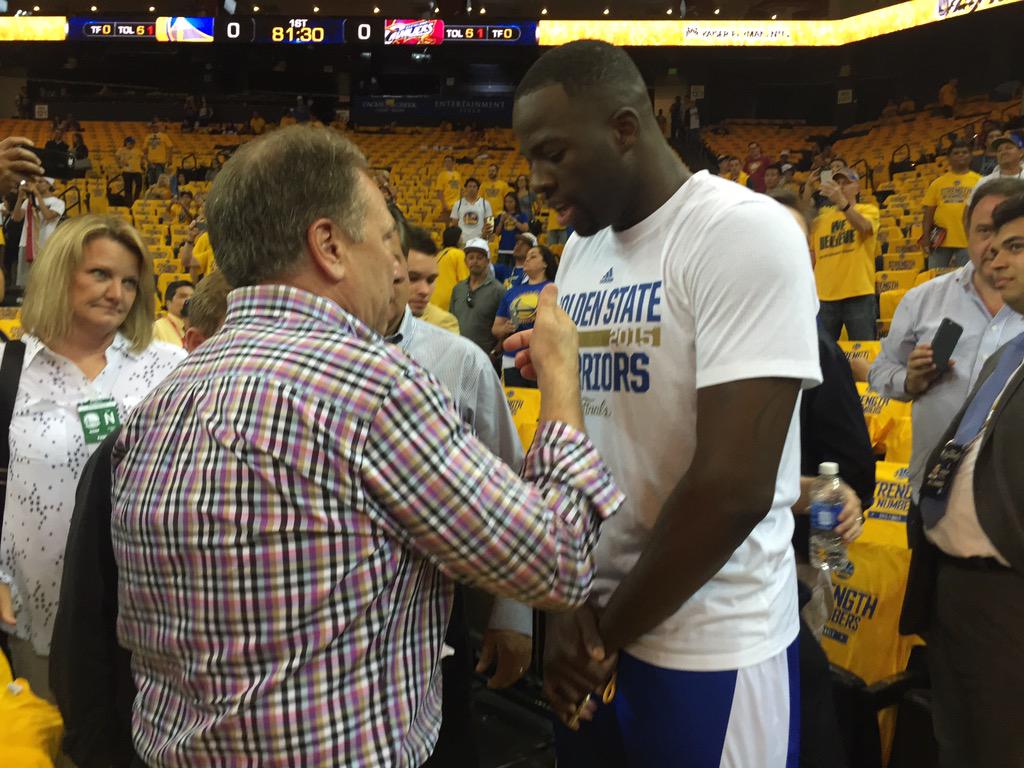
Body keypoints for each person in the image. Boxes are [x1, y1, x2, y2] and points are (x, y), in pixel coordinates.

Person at [111, 124, 622, 767]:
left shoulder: (163, 398)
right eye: (386, 240)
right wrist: (560, 379)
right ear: (328, 245)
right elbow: (559, 558)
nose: (400, 271)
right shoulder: (374, 389)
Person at [511, 40, 821, 766]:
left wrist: (599, 637)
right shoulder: (584, 251)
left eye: (553, 153)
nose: (538, 182)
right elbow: (579, 441)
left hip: (708, 641)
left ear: (625, 127)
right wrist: (569, 612)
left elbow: (733, 489)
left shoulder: (742, 233)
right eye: (530, 159)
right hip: (594, 628)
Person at [0, 215, 184, 707]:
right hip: (37, 595)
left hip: (147, 602)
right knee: (49, 733)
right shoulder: (11, 367)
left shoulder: (167, 369)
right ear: (61, 274)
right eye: (101, 274)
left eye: (129, 281)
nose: (117, 293)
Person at [385, 219, 528, 768]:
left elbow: (510, 485)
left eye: (424, 278)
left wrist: (511, 615)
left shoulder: (460, 361)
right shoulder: (315, 358)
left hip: (439, 607)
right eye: (405, 276)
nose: (413, 288)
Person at [900, 192, 1024, 768]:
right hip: (954, 587)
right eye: (993, 247)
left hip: (1007, 594)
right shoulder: (1010, 358)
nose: (997, 261)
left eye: (1016, 247)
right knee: (958, 743)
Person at [869, 177, 1024, 503]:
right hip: (933, 497)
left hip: (1012, 508)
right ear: (967, 233)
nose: (995, 246)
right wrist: (910, 381)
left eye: (1010, 238)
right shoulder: (921, 300)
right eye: (985, 231)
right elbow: (881, 372)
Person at [811, 166, 880, 340]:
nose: (839, 187)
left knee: (864, 351)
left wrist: (842, 203)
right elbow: (812, 256)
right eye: (837, 183)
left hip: (858, 294)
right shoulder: (820, 220)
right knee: (823, 356)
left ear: (857, 187)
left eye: (845, 183)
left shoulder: (868, 210)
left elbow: (864, 227)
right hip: (824, 296)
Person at [493, 244, 557, 388]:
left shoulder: (555, 288)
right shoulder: (511, 292)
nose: (527, 260)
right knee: (515, 408)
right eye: (526, 257)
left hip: (544, 358)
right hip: (511, 359)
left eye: (533, 256)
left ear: (545, 263)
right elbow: (495, 328)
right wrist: (505, 329)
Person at [920, 142, 982, 268]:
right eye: (956, 153)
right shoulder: (937, 183)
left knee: (968, 279)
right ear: (949, 158)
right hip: (939, 241)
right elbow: (928, 213)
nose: (960, 155)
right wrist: (926, 237)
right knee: (936, 278)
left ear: (970, 156)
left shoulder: (980, 180)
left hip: (968, 239)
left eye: (964, 152)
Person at [450, 238, 507, 358]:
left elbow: (505, 328)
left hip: (485, 357)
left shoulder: (499, 290)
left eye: (479, 258)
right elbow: (451, 321)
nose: (475, 261)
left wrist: (495, 353)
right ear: (465, 261)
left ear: (488, 261)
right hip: (458, 354)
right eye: (471, 258)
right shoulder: (458, 289)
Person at [404, 225, 460, 334]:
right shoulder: (367, 319)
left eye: (430, 280)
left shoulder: (443, 324)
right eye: (413, 278)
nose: (425, 291)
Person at [12, 176, 65, 288]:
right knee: (26, 280)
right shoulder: (28, 201)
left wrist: (37, 195)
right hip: (26, 243)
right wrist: (20, 198)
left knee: (43, 278)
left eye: (40, 182)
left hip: (45, 244)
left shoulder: (58, 202)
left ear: (49, 184)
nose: (36, 184)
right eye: (36, 182)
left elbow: (48, 216)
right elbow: (16, 218)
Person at [429, 226, 468, 314]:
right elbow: (464, 281)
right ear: (457, 239)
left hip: (433, 299)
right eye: (461, 236)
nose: (463, 239)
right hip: (449, 301)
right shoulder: (459, 254)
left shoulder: (439, 254)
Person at [450, 177, 494, 243]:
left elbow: (490, 224)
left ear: (478, 189)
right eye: (469, 186)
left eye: (474, 187)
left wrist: (486, 236)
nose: (472, 189)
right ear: (466, 188)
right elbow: (454, 225)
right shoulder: (457, 204)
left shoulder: (486, 204)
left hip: (480, 241)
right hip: (463, 242)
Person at [152, 279, 194, 348]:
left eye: (192, 296)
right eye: (183, 296)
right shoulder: (157, 328)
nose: (189, 300)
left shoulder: (200, 328)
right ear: (168, 303)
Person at [494, 191, 530, 264]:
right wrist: (501, 221)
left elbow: (525, 229)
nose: (508, 204)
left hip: (517, 249)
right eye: (506, 202)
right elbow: (497, 233)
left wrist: (513, 220)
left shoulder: (522, 215)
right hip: (503, 249)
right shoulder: (501, 215)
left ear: (516, 202)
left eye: (511, 202)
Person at [142, 120, 174, 188]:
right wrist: (148, 161)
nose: (154, 128)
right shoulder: (147, 137)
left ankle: (158, 195)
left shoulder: (164, 136)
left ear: (158, 127)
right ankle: (152, 196)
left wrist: (170, 159)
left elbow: (170, 147)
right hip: (151, 163)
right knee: (151, 181)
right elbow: (144, 150)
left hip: (160, 162)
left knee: (159, 181)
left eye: (155, 127)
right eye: (152, 127)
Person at [116, 137, 143, 206]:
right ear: (126, 143)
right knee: (128, 188)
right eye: (130, 143)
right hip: (126, 171)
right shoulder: (121, 150)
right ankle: (128, 203)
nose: (131, 144)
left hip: (137, 171)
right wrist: (120, 164)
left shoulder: (137, 150)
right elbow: (116, 157)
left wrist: (142, 164)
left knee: (139, 185)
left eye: (133, 143)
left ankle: (135, 200)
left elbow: (142, 157)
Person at [435, 154, 462, 218]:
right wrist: (443, 204)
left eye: (449, 161)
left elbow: (460, 190)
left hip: (456, 205)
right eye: (445, 161)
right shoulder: (441, 175)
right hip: (446, 205)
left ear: (453, 162)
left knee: (456, 226)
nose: (447, 163)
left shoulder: (457, 174)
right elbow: (440, 192)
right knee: (446, 226)